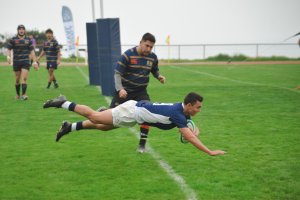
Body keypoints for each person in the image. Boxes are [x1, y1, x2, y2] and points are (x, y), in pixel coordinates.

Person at [43, 92, 226, 156]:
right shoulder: (178, 114)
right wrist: (209, 152)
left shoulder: (182, 112)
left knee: (104, 127)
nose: (199, 110)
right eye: (198, 107)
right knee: (95, 118)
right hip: (131, 112)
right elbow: (190, 137)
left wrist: (195, 131)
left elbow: (192, 129)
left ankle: (70, 127)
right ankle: (63, 102)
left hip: (134, 115)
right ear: (188, 105)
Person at [70, 33, 166, 153]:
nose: (148, 49)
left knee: (146, 113)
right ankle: (75, 125)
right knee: (104, 125)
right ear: (140, 42)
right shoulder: (127, 55)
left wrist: (159, 76)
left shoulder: (152, 57)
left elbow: (154, 69)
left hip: (140, 92)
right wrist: (120, 89)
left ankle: (142, 144)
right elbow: (117, 73)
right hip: (124, 93)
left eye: (151, 47)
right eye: (146, 46)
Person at [7, 25, 39, 100]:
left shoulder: (28, 40)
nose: (21, 30)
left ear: (24, 30)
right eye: (20, 29)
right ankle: (18, 94)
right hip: (16, 61)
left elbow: (32, 51)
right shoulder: (13, 39)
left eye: (23, 29)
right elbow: (8, 49)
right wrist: (8, 56)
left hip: (25, 61)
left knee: (24, 78)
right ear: (18, 30)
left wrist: (34, 62)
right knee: (17, 79)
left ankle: (24, 95)